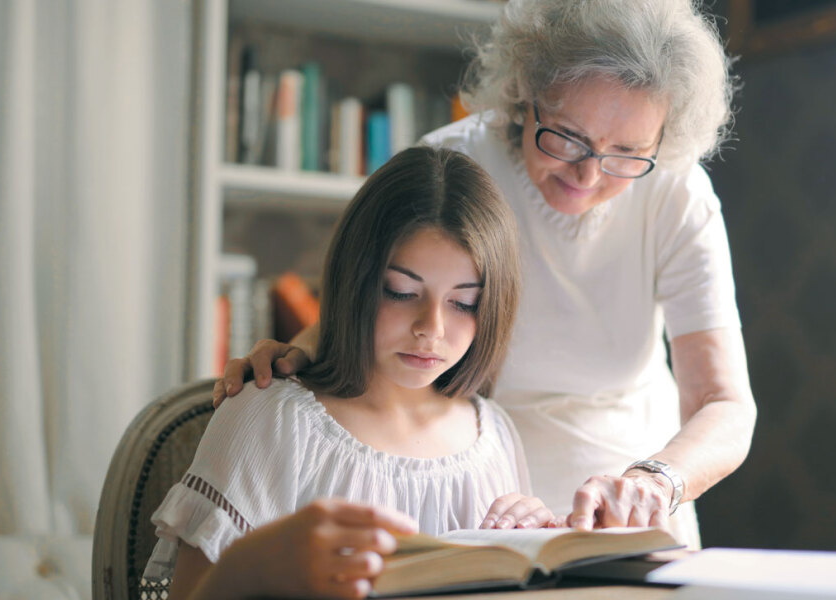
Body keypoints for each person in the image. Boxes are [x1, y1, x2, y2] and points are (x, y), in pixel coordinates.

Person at [216, 0, 756, 550]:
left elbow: (726, 404)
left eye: (627, 153)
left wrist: (657, 481)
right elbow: (376, 303)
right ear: (526, 92)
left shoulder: (675, 193)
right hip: (478, 488)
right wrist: (298, 353)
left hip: (627, 505)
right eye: (567, 136)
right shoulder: (452, 166)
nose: (589, 174)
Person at [146, 147, 553, 600]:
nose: (431, 329)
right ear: (356, 279)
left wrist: (536, 545)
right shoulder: (272, 421)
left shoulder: (493, 435)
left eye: (464, 303)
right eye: (400, 292)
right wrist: (257, 561)